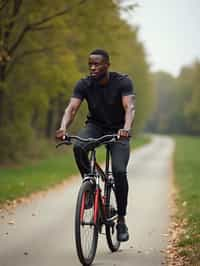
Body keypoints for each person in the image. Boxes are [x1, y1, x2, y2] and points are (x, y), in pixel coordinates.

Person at [56, 49, 136, 242]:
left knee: (118, 171)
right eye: (90, 64)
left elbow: (129, 107)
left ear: (107, 65)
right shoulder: (84, 84)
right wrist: (62, 127)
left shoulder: (122, 81)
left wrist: (126, 128)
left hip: (119, 131)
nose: (92, 67)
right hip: (96, 127)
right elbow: (72, 108)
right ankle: (90, 185)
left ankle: (122, 220)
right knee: (78, 147)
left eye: (97, 64)